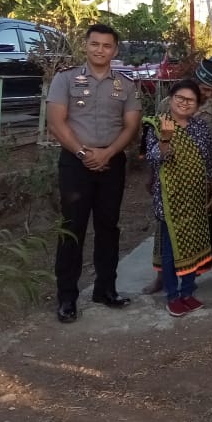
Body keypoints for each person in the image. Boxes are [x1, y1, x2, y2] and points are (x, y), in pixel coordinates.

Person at [47, 23, 141, 323]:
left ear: (115, 50)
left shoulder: (125, 85)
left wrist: (108, 153)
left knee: (108, 227)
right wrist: (83, 153)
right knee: (72, 229)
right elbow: (56, 122)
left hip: (111, 163)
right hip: (76, 162)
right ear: (86, 46)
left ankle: (105, 289)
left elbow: (131, 126)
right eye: (95, 44)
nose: (100, 50)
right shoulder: (65, 79)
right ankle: (67, 298)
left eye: (107, 45)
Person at [142, 59, 212, 296]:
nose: (207, 94)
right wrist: (151, 177)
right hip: (167, 181)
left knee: (195, 233)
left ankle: (188, 280)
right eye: (204, 88)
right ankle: (162, 278)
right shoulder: (168, 103)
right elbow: (156, 139)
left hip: (196, 184)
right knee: (165, 233)